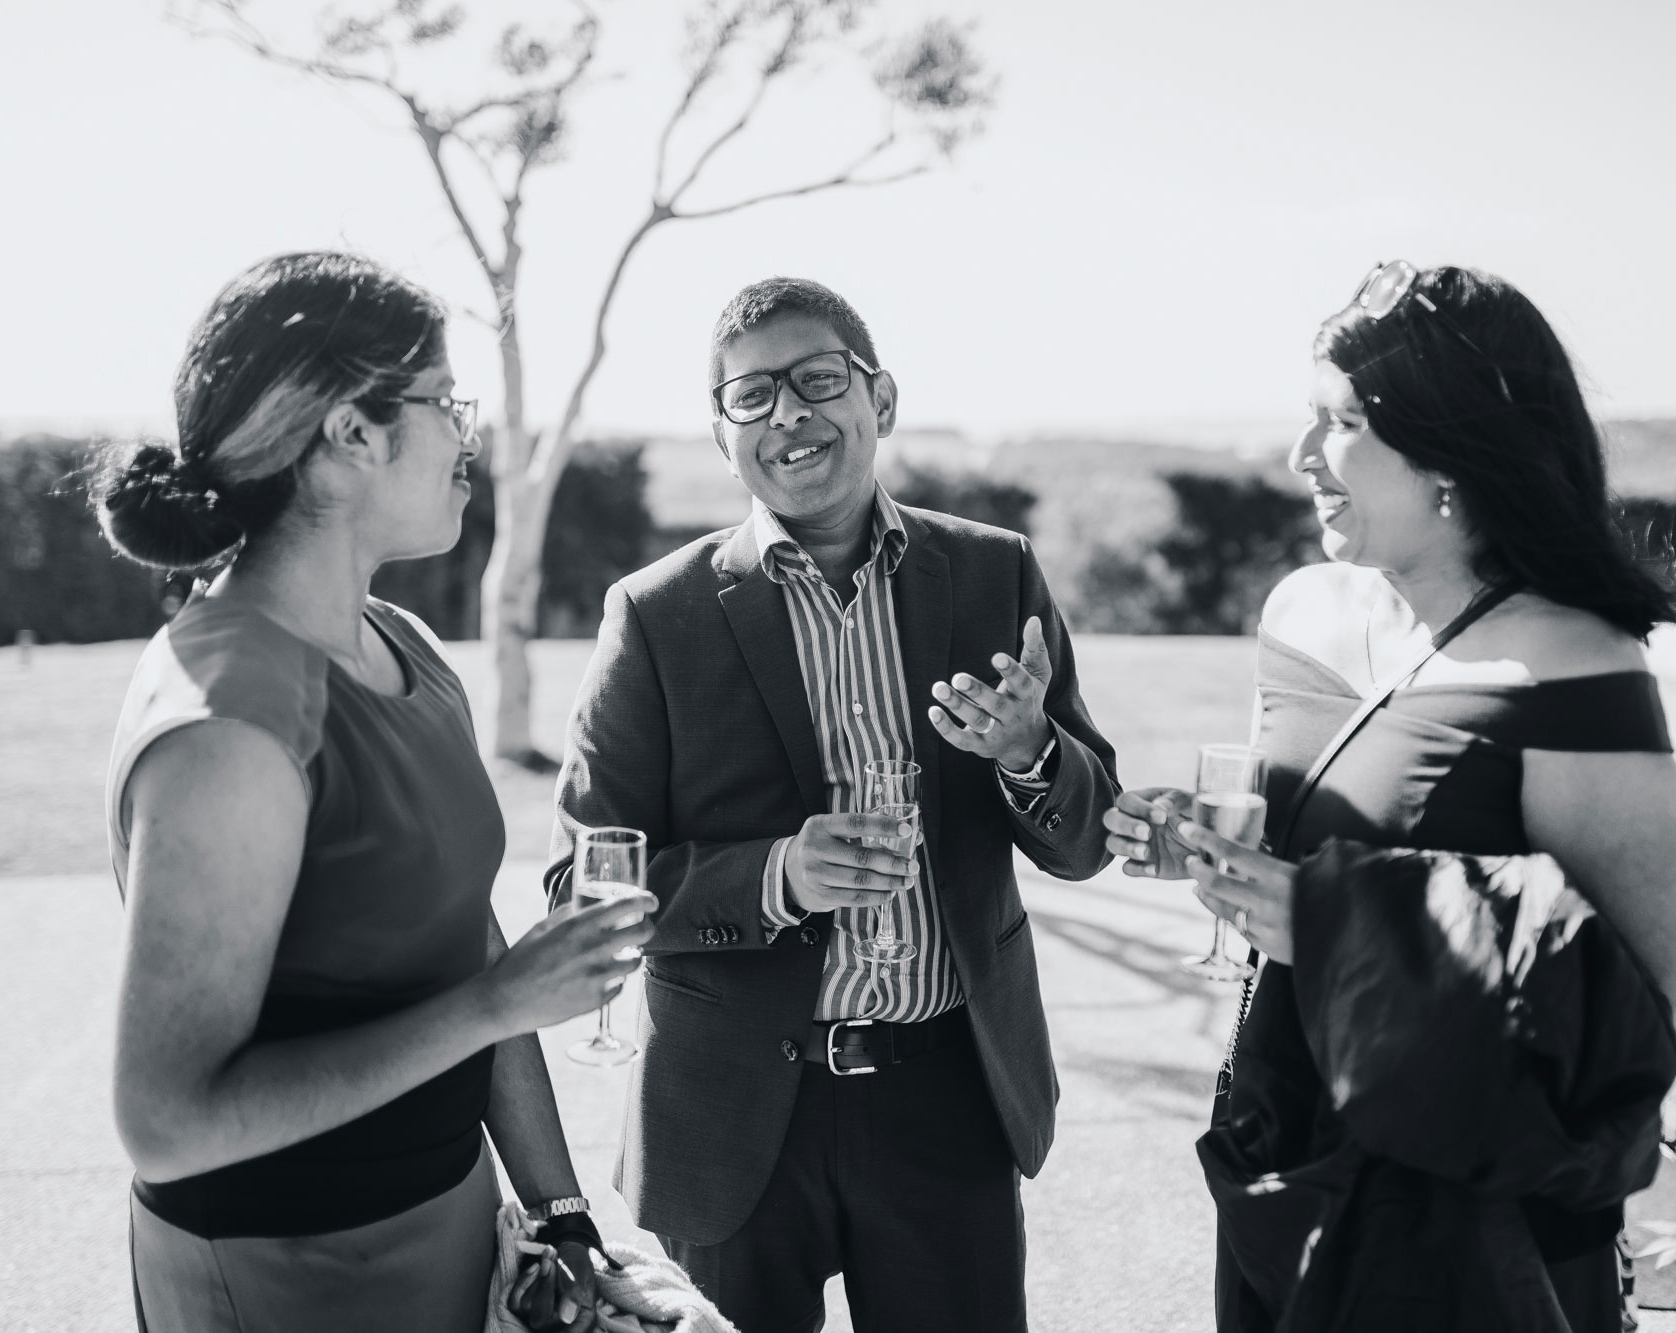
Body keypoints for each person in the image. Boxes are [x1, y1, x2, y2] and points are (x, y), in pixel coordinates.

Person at [1104, 262, 1676, 1331]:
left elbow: (1649, 1007)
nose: (1297, 458)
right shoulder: (1298, 610)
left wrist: (1338, 923)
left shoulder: (1572, 662)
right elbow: (1303, 837)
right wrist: (1207, 845)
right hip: (1277, 1139)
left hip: (1464, 1211)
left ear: (1447, 451)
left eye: (1335, 424)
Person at [96, 251, 655, 1333]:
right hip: (283, 1269)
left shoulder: (396, 640)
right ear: (351, 432)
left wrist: (560, 1212)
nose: (466, 438)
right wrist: (497, 1006)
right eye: (449, 403)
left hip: (445, 1222)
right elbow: (165, 1122)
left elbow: (465, 940)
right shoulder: (233, 720)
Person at [549, 276, 1121, 1333]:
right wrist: (778, 875)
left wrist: (1028, 748)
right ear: (720, 435)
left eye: (818, 381)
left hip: (947, 1094)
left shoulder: (995, 574)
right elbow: (580, 886)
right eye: (751, 395)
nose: (788, 415)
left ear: (881, 398)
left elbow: (1085, 839)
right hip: (726, 1116)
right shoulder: (654, 615)